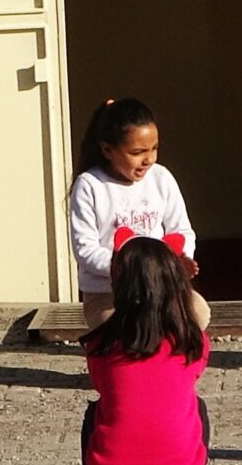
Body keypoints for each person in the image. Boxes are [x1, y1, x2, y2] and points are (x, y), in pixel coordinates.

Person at [62, 232, 230, 465]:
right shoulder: (192, 341)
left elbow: (105, 388)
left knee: (97, 409)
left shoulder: (101, 344)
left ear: (118, 284)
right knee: (195, 403)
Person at [68, 98, 197, 326]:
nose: (149, 159)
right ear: (108, 150)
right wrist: (136, 270)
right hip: (108, 292)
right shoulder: (89, 185)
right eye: (138, 152)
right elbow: (85, 250)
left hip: (159, 287)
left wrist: (176, 261)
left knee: (198, 314)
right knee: (123, 327)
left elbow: (182, 230)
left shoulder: (161, 177)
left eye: (154, 149)